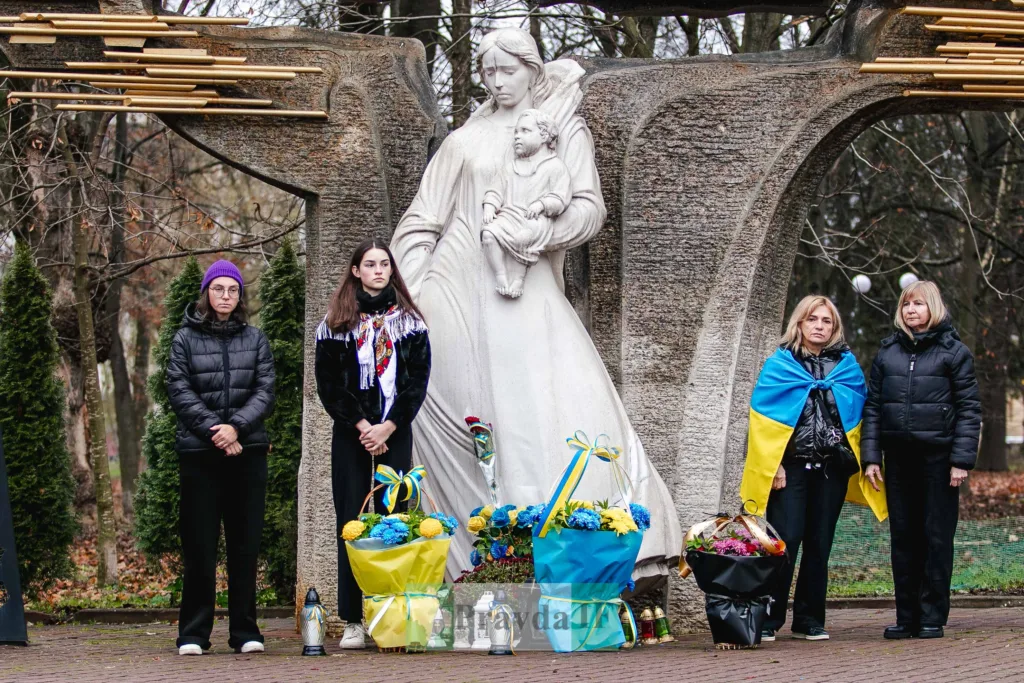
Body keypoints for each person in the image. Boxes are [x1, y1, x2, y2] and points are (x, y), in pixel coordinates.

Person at [390, 27, 682, 582]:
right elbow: (420, 222)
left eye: (509, 70)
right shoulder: (464, 142)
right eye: (489, 72)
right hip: (454, 290)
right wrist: (416, 296)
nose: (499, 82)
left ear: (532, 69)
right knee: (472, 420)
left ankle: (573, 550)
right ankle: (481, 565)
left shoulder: (560, 130)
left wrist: (536, 230)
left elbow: (588, 210)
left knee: (559, 408)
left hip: (525, 286)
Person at [740, 295, 886, 643]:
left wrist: (865, 460)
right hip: (790, 468)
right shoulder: (780, 365)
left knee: (820, 545)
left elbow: (858, 418)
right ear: (800, 324)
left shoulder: (847, 367)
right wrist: (773, 466)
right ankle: (769, 619)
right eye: (813, 320)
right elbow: (763, 423)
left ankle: (809, 619)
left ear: (834, 328)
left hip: (830, 468)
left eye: (827, 322)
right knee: (784, 541)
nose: (820, 326)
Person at [315, 238, 431, 650]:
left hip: (394, 433)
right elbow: (328, 385)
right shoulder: (336, 323)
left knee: (393, 517)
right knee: (352, 519)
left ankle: (391, 615)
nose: (378, 270)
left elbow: (417, 382)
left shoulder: (410, 322)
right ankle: (352, 618)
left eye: (384, 264)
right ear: (356, 271)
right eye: (370, 264)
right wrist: (364, 424)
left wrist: (389, 426)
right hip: (351, 434)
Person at [166, 259, 275, 656]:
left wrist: (237, 429)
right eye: (218, 289)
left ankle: (245, 631)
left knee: (245, 548)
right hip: (200, 456)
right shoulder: (184, 340)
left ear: (240, 296)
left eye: (232, 290)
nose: (226, 296)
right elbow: (179, 390)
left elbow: (265, 391)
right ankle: (193, 634)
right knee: (200, 547)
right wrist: (218, 431)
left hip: (247, 454)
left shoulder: (256, 339)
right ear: (206, 293)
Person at [861, 280, 981, 640]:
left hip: (940, 461)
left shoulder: (954, 353)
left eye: (918, 304)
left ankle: (932, 616)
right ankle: (907, 616)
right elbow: (873, 409)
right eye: (906, 305)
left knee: (936, 538)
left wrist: (961, 460)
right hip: (898, 460)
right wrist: (871, 457)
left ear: (933, 308)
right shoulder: (887, 354)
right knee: (904, 538)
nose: (911, 310)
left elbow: (969, 409)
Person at [481, 108, 572, 298]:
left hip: (534, 219)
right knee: (489, 234)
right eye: (516, 132)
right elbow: (495, 190)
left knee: (522, 237)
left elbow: (560, 197)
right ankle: (501, 275)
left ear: (544, 135)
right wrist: (490, 206)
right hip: (509, 215)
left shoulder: (555, 167)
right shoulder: (510, 167)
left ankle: (518, 279)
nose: (517, 137)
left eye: (525, 131)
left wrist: (542, 204)